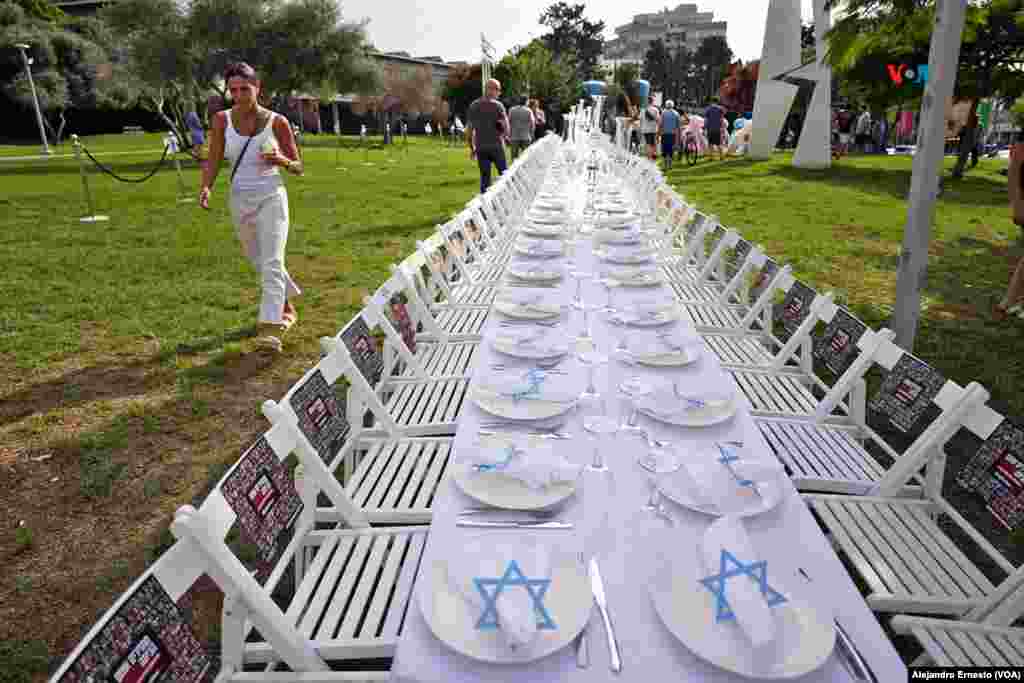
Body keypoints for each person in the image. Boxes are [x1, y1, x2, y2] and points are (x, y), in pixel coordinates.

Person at [199, 62, 304, 353]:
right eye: (233, 90)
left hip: (272, 196)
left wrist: (280, 160)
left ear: (257, 88)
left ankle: (270, 330)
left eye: (245, 89)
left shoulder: (277, 122)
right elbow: (214, 158)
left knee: (271, 261)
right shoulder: (221, 120)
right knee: (259, 260)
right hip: (239, 198)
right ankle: (287, 308)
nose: (239, 95)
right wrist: (206, 186)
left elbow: (298, 167)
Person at [467, 78, 511, 194]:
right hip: (497, 146)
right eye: (498, 90)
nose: (499, 93)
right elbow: (506, 127)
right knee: (504, 175)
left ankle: (484, 205)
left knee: (485, 179)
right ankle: (506, 197)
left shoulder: (474, 105)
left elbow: (469, 130)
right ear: (492, 90)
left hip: (481, 147)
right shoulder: (498, 106)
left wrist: (472, 148)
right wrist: (506, 137)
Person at [996, 143, 1024, 320]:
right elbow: (1013, 179)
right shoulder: (1020, 149)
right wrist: (1016, 206)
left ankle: (1011, 299)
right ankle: (1010, 299)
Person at [952, 110, 981, 180]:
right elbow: (960, 133)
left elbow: (978, 134)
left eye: (977, 119)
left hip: (974, 142)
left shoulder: (979, 126)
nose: (977, 120)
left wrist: (977, 140)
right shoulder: (967, 126)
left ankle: (974, 162)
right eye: (976, 119)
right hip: (967, 143)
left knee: (974, 153)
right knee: (964, 154)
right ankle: (958, 169)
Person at [508, 96, 534, 161]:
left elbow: (508, 122)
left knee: (514, 157)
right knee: (526, 157)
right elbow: (532, 123)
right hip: (525, 136)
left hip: (514, 136)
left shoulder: (512, 109)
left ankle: (514, 170)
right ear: (526, 102)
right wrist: (531, 134)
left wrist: (509, 134)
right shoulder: (528, 110)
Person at [658, 100, 681, 170]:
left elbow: (660, 124)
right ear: (672, 105)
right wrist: (678, 136)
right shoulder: (676, 114)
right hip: (673, 134)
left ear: (666, 105)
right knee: (671, 149)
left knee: (664, 149)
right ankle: (670, 165)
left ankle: (665, 165)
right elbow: (678, 126)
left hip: (664, 134)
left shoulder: (663, 113)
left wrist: (658, 133)